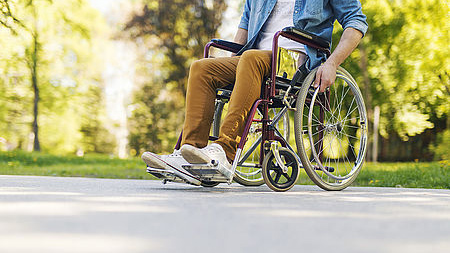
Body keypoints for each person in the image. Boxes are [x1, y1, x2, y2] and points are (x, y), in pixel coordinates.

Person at [142, 0, 368, 182]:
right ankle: (189, 151)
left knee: (250, 59)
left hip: (295, 62)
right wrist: (233, 69)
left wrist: (332, 63)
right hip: (253, 59)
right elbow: (245, 24)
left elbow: (356, 22)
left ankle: (224, 149)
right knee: (202, 68)